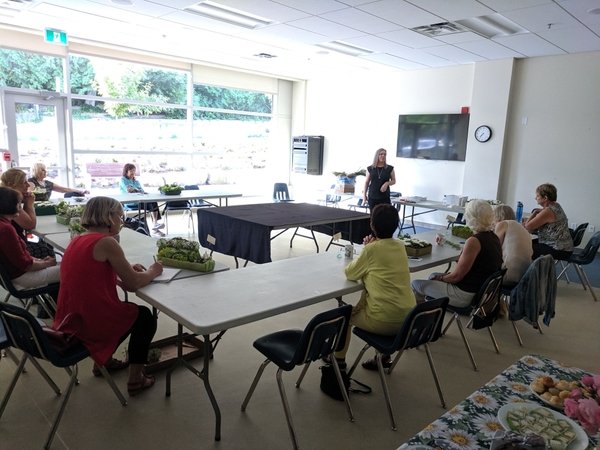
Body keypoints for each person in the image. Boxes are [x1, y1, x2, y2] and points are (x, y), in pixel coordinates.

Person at [53, 196, 163, 396]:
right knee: (144, 316)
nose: (121, 221)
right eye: (119, 216)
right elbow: (133, 284)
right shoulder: (107, 242)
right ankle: (136, 379)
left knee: (125, 312)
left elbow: (95, 269)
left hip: (70, 319)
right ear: (109, 217)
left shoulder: (78, 239)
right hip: (90, 322)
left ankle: (105, 361)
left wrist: (127, 267)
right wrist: (153, 271)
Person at [326, 204, 415, 371]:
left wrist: (368, 248)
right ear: (397, 225)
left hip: (384, 321)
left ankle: (338, 360)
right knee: (377, 305)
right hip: (408, 319)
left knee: (344, 317)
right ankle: (383, 357)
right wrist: (372, 247)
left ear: (372, 225)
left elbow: (350, 273)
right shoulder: (400, 246)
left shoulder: (371, 249)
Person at [411, 199, 502, 308]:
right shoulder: (493, 237)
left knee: (415, 284)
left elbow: (456, 277)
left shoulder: (474, 241)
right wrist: (441, 277)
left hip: (465, 295)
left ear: (470, 217)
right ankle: (432, 311)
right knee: (433, 276)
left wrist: (441, 278)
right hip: (481, 292)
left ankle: (422, 320)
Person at [0, 187, 60, 290]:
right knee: (75, 269)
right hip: (22, 276)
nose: (20, 207)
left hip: (15, 274)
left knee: (67, 264)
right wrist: (45, 263)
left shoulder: (4, 224)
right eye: (19, 204)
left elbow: (19, 257)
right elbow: (25, 265)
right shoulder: (6, 229)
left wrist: (40, 261)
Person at [524, 183, 573, 260]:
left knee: (524, 249)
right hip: (565, 247)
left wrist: (535, 212)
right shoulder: (556, 206)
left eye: (537, 196)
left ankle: (532, 271)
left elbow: (528, 226)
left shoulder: (548, 211)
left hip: (558, 249)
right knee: (527, 244)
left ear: (545, 198)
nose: (535, 198)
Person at [118, 163, 164, 237]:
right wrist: (136, 189)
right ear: (126, 171)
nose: (133, 172)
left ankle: (155, 226)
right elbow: (128, 190)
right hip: (130, 203)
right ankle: (153, 227)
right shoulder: (123, 179)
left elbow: (142, 191)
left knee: (153, 203)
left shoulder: (136, 181)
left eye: (134, 170)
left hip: (139, 201)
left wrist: (137, 190)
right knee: (151, 205)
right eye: (131, 171)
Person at [493, 205, 533, 286]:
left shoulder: (502, 224)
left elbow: (494, 249)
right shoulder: (520, 227)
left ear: (497, 216)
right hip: (525, 275)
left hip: (509, 275)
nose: (492, 223)